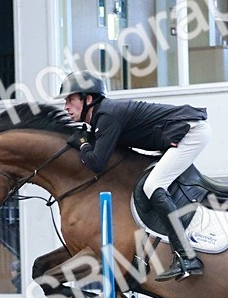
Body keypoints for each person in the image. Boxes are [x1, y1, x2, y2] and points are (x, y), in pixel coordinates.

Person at [59, 71, 210, 281]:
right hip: (183, 132)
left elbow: (96, 163)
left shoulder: (107, 116)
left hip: (192, 132)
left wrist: (83, 144)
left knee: (153, 185)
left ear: (89, 99)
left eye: (70, 99)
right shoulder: (103, 117)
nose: (65, 106)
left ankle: (187, 257)